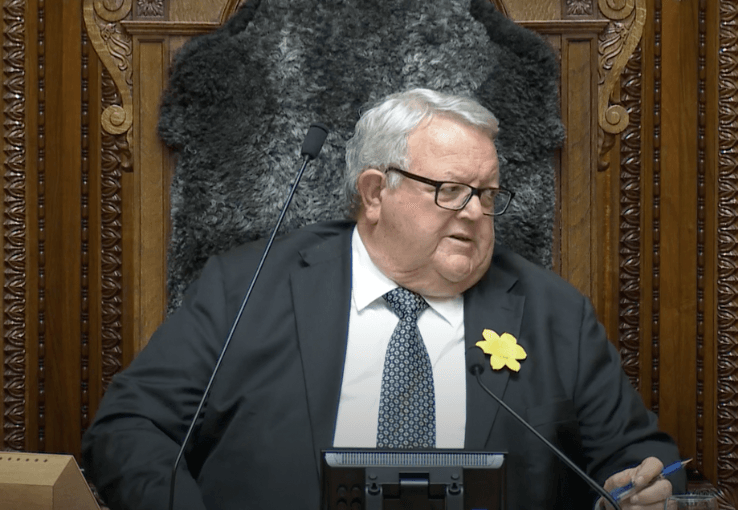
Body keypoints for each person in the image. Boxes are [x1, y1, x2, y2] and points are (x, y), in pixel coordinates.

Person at [82, 88, 685, 509]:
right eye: (451, 190)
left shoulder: (555, 313)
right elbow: (128, 428)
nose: (475, 213)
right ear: (375, 192)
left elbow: (642, 457)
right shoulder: (247, 287)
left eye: (488, 193)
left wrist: (642, 488)